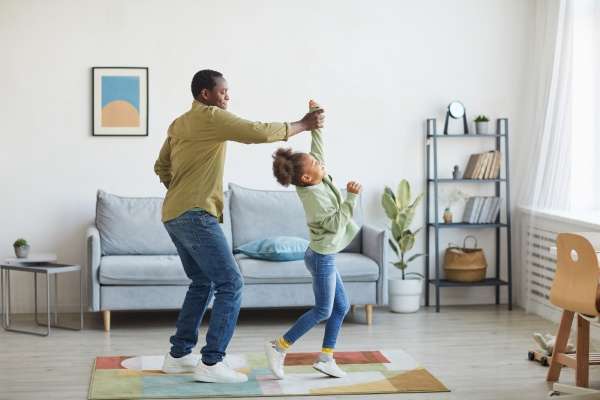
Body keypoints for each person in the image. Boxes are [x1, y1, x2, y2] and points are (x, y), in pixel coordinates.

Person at [154, 70, 324, 383]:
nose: (227, 97)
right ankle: (212, 362)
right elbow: (255, 132)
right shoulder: (212, 117)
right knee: (231, 282)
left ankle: (178, 355)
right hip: (195, 214)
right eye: (223, 92)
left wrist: (179, 189)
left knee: (202, 281)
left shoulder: (179, 123)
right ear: (206, 94)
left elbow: (161, 166)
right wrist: (304, 125)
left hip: (173, 214)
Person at [265, 100, 361, 379]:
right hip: (321, 257)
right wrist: (351, 198)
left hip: (322, 255)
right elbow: (333, 225)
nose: (321, 163)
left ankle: (326, 358)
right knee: (323, 309)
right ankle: (279, 346)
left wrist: (317, 122)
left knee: (340, 306)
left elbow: (317, 151)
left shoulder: (315, 179)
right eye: (317, 164)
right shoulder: (314, 198)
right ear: (308, 176)